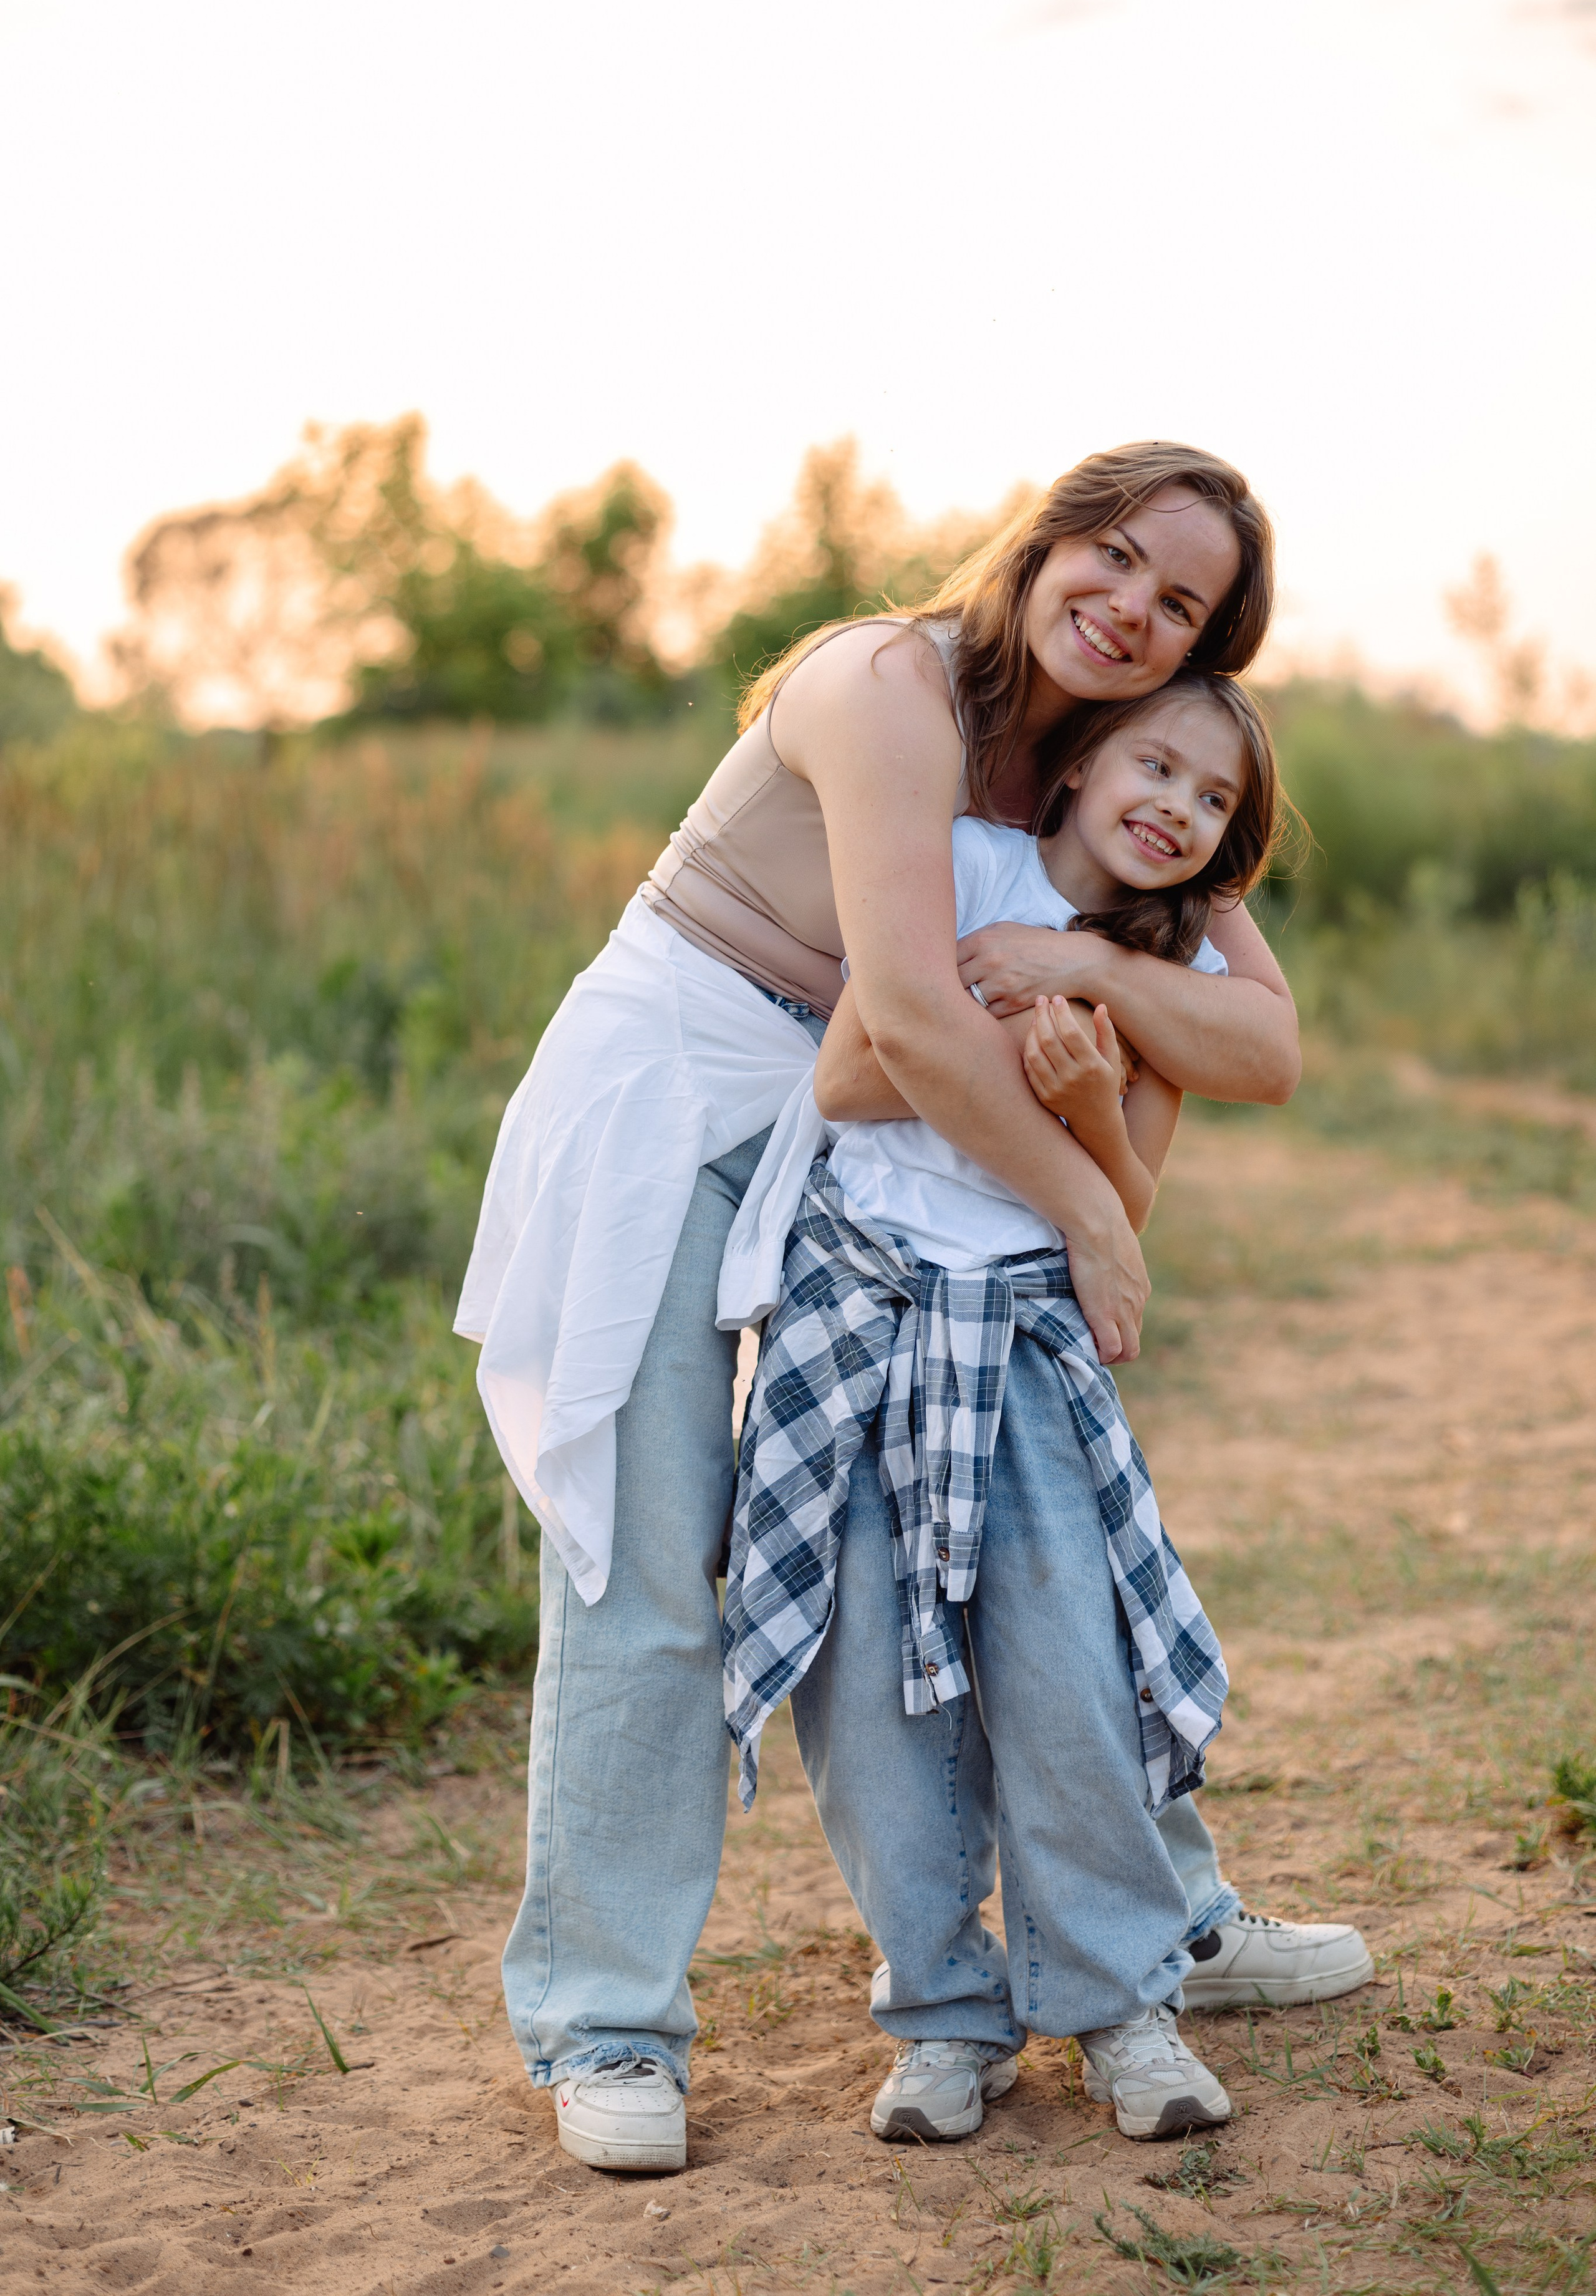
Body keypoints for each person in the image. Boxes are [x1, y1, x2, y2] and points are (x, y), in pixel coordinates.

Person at [454, 443, 1368, 2178]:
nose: (1133, 609)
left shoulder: (1109, 761)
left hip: (857, 1135)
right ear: (1045, 536)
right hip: (684, 1089)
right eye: (1114, 557)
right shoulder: (886, 683)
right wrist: (1098, 1210)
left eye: (1182, 606)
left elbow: (1260, 1036)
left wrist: (1101, 965)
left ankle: (1163, 1927)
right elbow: (914, 1022)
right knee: (652, 1554)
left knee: (1046, 1538)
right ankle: (607, 2022)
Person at [724, 673, 1287, 2145]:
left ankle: (1116, 2005)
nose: (1170, 803)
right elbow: (851, 1075)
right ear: (1080, 765)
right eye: (1150, 765)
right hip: (858, 1310)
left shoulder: (1171, 981)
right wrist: (1005, 1005)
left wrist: (1090, 1085)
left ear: (1226, 841)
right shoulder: (965, 867)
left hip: (1025, 1334)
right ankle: (940, 2014)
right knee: (868, 1695)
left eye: (1209, 797)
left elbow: (1124, 1215)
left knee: (1065, 1673)